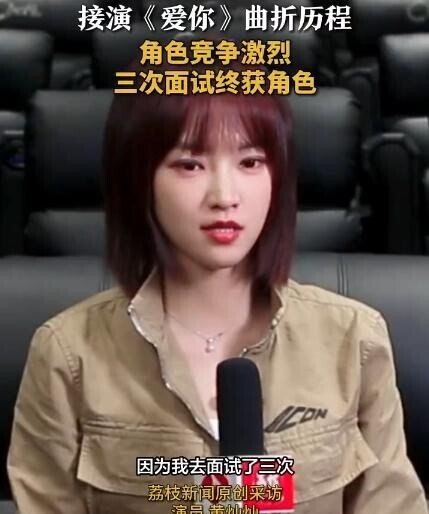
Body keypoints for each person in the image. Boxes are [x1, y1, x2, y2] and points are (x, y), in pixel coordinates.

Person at [7, 54, 428, 514]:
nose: (225, 196)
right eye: (190, 165)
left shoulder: (354, 339)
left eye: (250, 162)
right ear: (139, 180)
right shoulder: (67, 355)